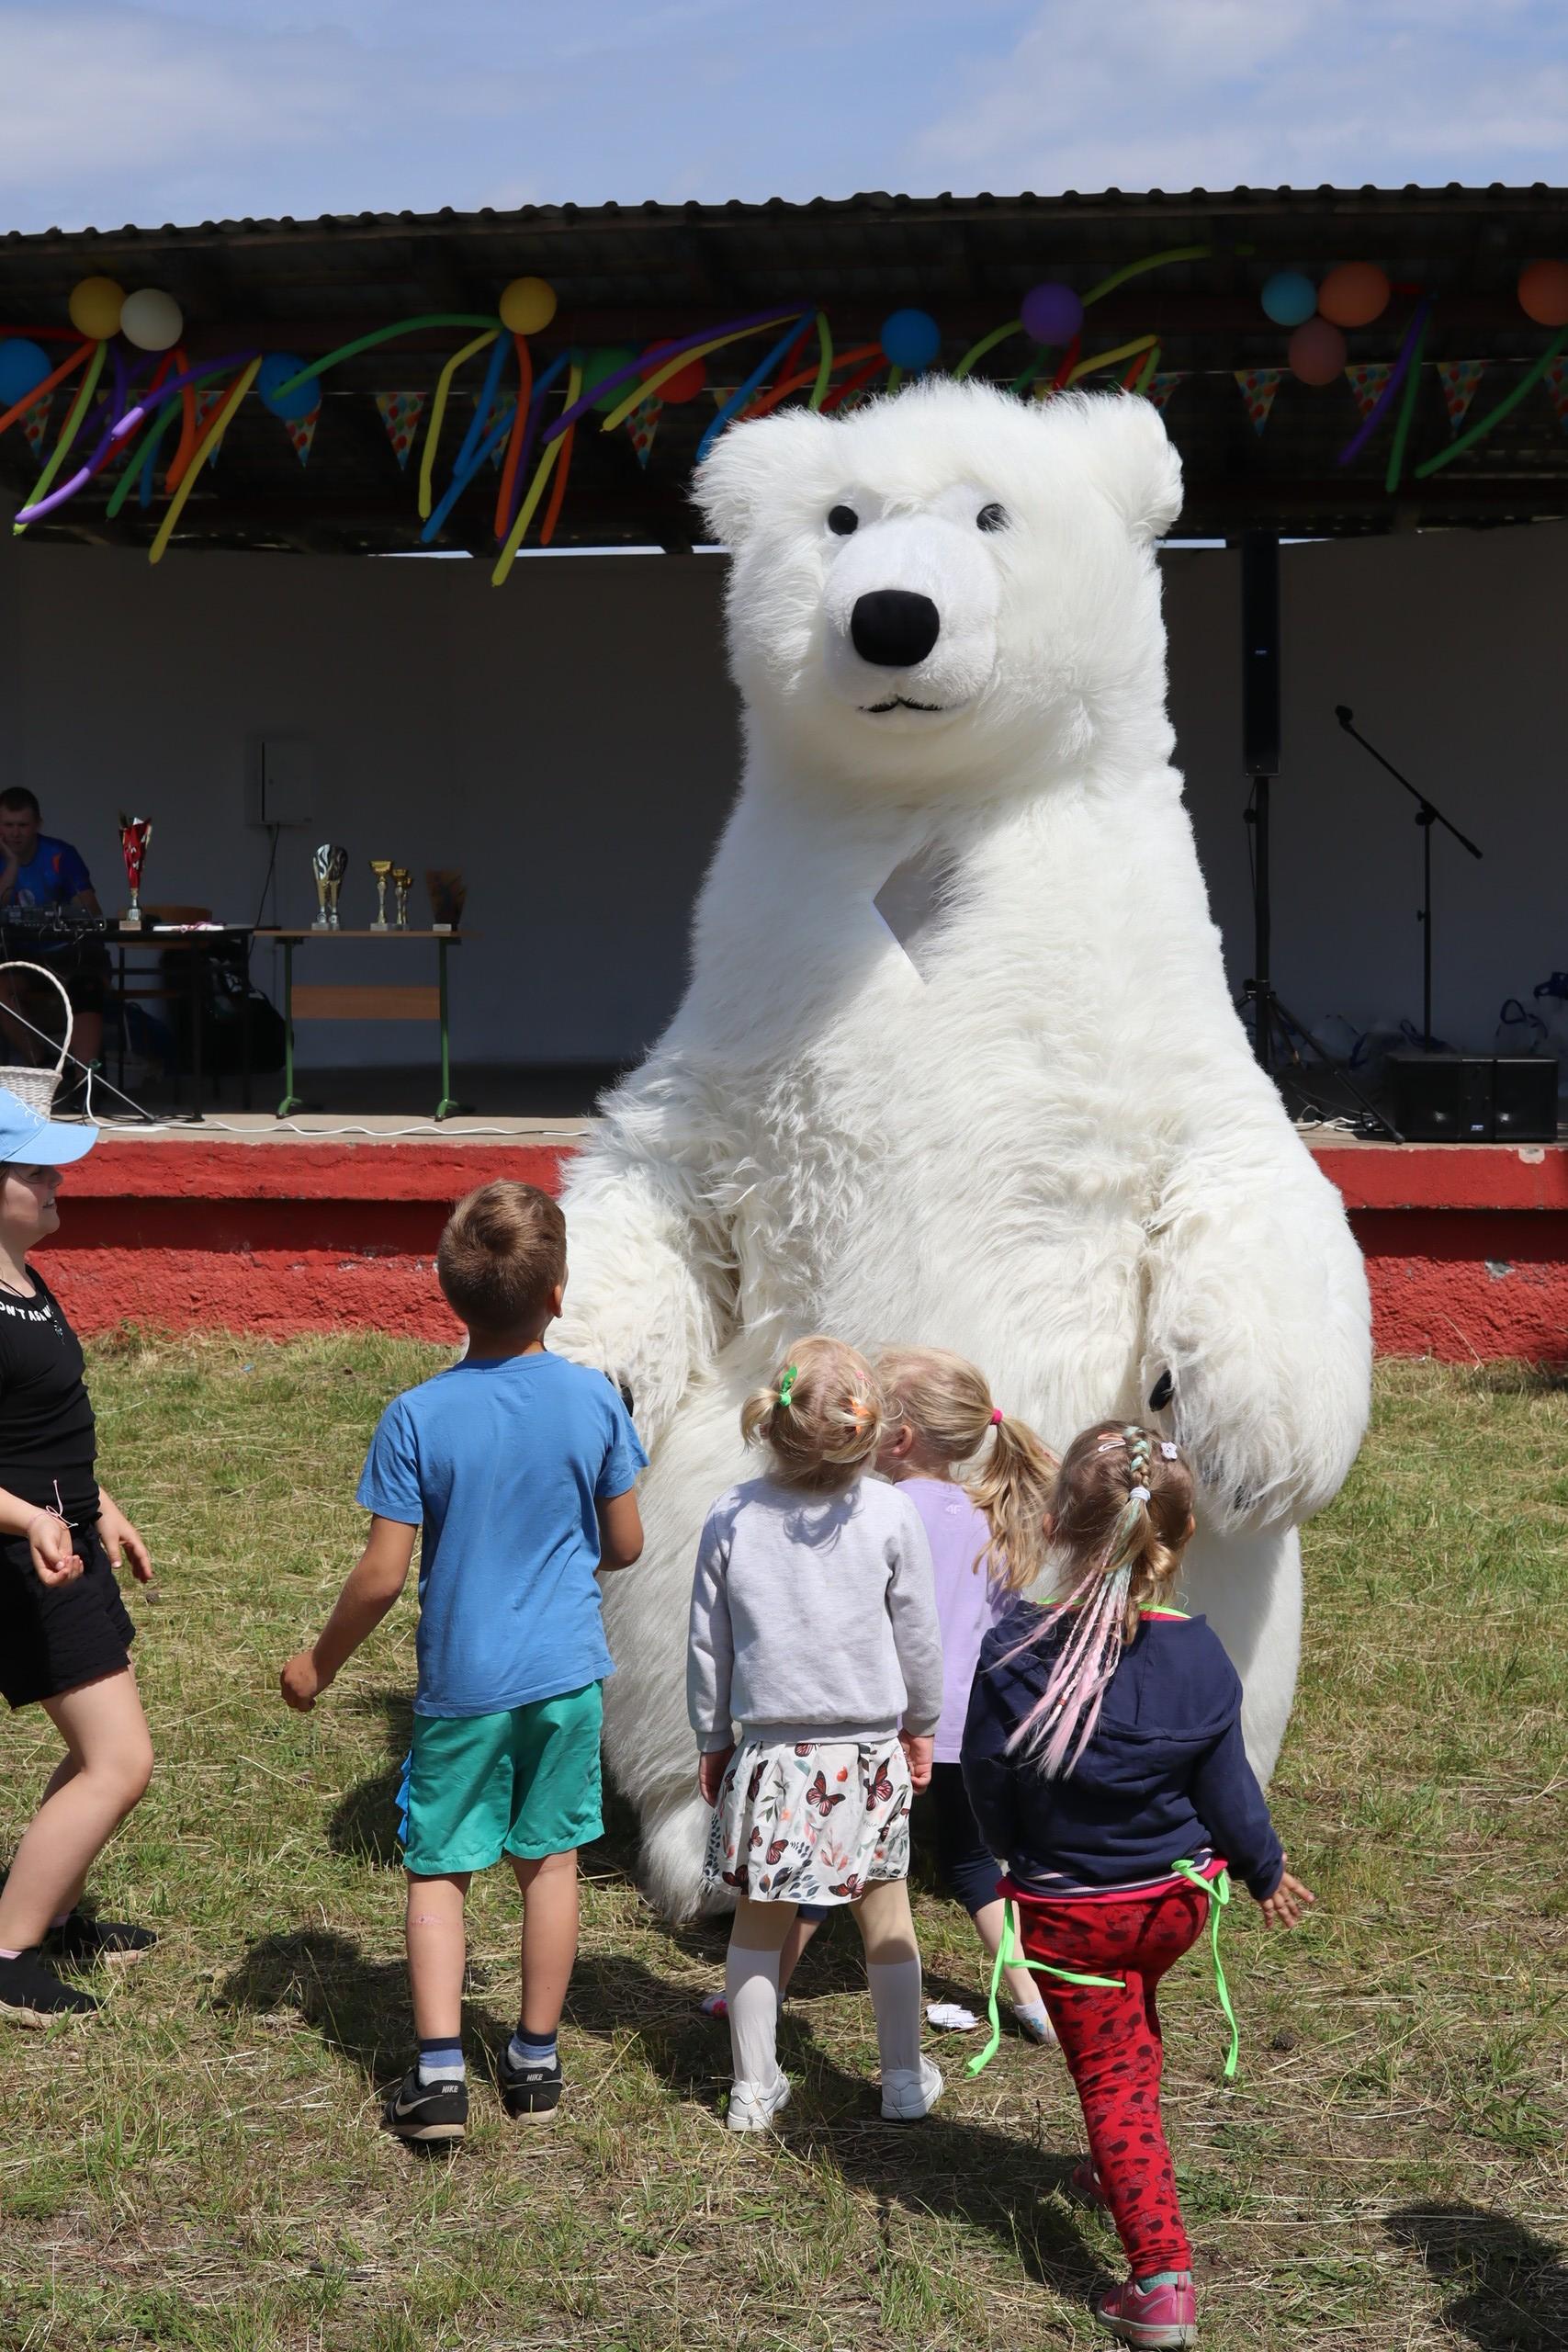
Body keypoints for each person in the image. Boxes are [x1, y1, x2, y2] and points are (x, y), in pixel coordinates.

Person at [279, 1181, 646, 2144]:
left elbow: (380, 1576)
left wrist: (318, 1664)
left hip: (463, 1686)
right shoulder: (595, 1398)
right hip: (567, 1675)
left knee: (440, 1870)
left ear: (447, 1292)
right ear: (557, 1294)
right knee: (549, 1860)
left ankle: (440, 2075)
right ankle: (535, 2056)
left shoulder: (416, 1415)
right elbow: (626, 1544)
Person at [963, 1423, 1315, 2351]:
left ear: (1052, 1522)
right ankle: (1113, 2167)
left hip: (1071, 1918)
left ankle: (1161, 2280)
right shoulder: (1199, 1655)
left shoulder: (1011, 1651)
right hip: (1172, 1906)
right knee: (1132, 2022)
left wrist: (1008, 1852)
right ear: (1182, 1533)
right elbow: (1229, 1789)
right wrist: (1263, 1868)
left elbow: (989, 1784)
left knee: (1112, 2080)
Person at [715, 1345, 1063, 2043]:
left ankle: (758, 1994)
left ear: (895, 1439)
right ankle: (1035, 2003)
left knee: (829, 1859)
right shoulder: (995, 1511)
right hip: (978, 1727)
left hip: (892, 1726)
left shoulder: (885, 1511)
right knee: (972, 1864)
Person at [689, 1337, 945, 2132]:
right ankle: (902, 2080)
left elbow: (707, 1644)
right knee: (887, 1920)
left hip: (771, 1756)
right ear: (870, 1431)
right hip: (866, 1755)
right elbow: (918, 1637)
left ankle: (752, 2088)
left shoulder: (732, 1515)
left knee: (758, 1925)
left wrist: (711, 1736)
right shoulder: (891, 1514)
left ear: (771, 1425)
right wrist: (923, 1725)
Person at [0, 1086, 156, 2025]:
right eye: (36, 1171)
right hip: (26, 1562)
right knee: (119, 1760)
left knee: (101, 1752)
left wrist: (105, 1510)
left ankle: (51, 1912)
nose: (59, 1181)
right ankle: (7, 1952)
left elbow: (44, 1431)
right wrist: (29, 1521)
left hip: (69, 1542)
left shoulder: (23, 1276)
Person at [0, 786, 108, 1077]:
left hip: (69, 953)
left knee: (87, 986)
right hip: (21, 958)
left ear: (38, 824)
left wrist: (64, 912)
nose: (15, 833)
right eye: (8, 825)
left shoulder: (60, 854)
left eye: (23, 825)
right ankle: (43, 1067)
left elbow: (90, 909)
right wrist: (11, 864)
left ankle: (84, 1079)